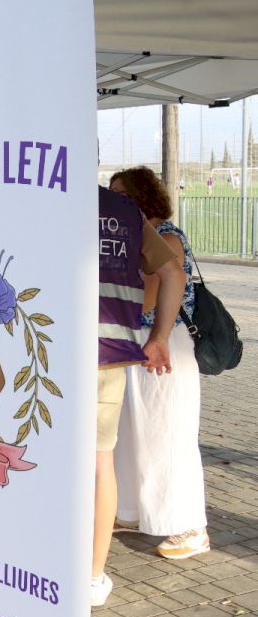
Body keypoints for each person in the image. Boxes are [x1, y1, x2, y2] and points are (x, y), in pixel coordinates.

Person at [91, 185, 185, 606]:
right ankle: (92, 576)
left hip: (45, 353)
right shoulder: (124, 211)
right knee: (100, 463)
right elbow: (173, 273)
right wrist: (159, 337)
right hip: (106, 355)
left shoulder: (35, 195)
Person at [110, 167, 210, 560]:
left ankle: (191, 527)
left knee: (166, 435)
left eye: (122, 194)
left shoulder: (165, 237)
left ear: (143, 197)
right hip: (135, 343)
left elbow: (148, 298)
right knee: (132, 432)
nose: (114, 201)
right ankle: (132, 511)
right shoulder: (132, 236)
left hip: (163, 344)